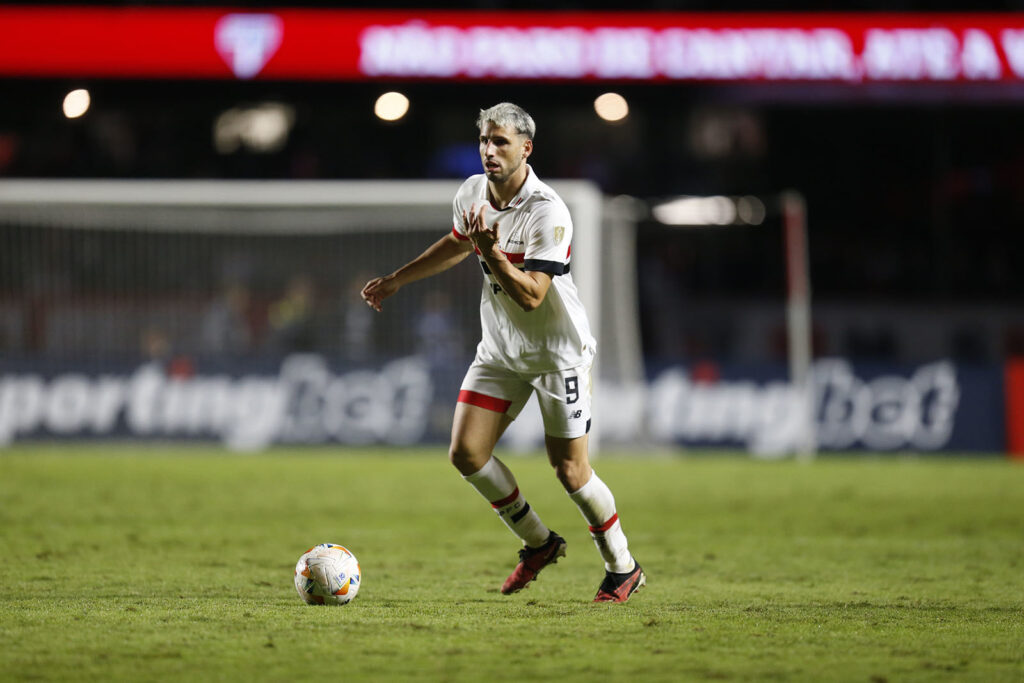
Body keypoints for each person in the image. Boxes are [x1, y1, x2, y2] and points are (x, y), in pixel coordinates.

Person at [361, 102, 644, 603]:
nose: (489, 151)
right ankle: (538, 542)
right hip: (500, 350)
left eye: (501, 143)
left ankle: (622, 566)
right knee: (466, 453)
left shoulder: (548, 210)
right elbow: (455, 243)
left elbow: (533, 295)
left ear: (526, 149)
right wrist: (396, 280)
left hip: (557, 353)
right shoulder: (472, 191)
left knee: (570, 471)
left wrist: (491, 253)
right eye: (484, 142)